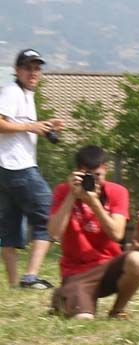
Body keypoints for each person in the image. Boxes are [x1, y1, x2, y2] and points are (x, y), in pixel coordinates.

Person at [47, 145, 139, 319]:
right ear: (78, 172)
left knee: (138, 260)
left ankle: (117, 310)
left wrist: (94, 203)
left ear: (105, 169)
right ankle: (64, 297)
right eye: (88, 176)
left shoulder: (117, 192)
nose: (94, 181)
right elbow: (54, 232)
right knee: (83, 320)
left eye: (98, 176)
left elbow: (117, 234)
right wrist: (72, 195)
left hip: (109, 266)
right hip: (77, 271)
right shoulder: (63, 191)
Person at [0, 49, 64, 290]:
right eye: (28, 67)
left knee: (9, 226)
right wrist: (30, 125)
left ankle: (15, 283)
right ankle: (30, 278)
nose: (33, 72)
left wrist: (45, 126)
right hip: (18, 167)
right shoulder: (11, 92)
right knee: (48, 216)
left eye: (37, 68)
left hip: (6, 169)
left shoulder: (25, 94)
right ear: (17, 70)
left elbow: (20, 127)